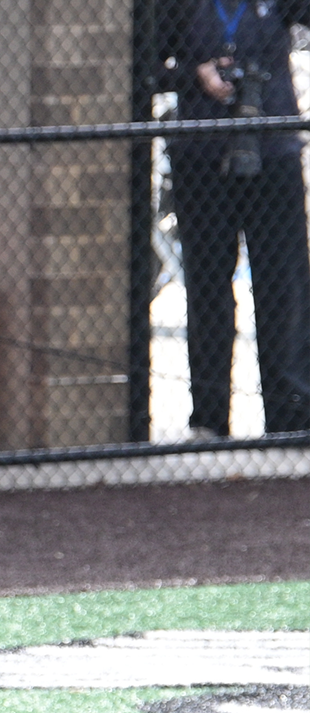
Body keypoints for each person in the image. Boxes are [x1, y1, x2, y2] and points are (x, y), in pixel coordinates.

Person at [164, 0, 310, 437]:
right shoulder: (178, 8)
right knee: (207, 287)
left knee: (283, 287)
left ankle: (290, 419)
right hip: (201, 156)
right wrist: (196, 74)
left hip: (273, 153)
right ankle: (208, 420)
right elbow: (147, 64)